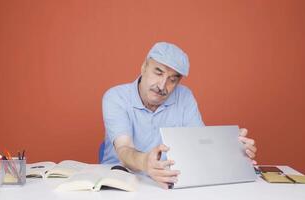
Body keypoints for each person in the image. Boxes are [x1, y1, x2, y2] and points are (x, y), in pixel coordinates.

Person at [101, 42, 257, 189]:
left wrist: (232, 150)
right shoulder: (116, 97)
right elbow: (124, 149)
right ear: (143, 67)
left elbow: (200, 144)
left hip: (168, 180)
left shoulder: (185, 97)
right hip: (119, 180)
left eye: (172, 79)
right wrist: (146, 163)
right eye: (158, 72)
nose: (162, 86)